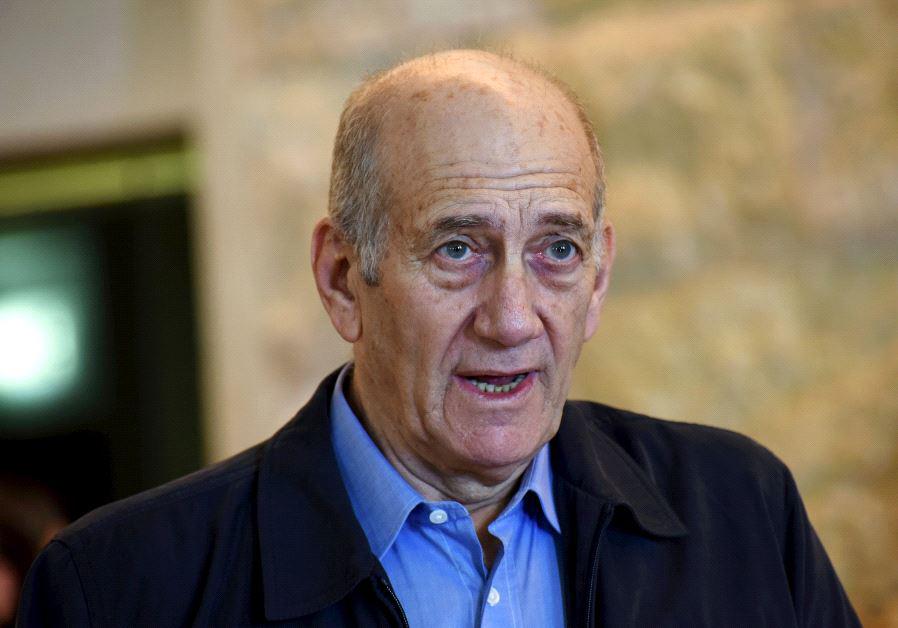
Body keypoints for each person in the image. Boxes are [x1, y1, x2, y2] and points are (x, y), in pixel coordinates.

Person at [18, 50, 859, 627]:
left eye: (557, 250)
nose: (513, 318)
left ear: (599, 278)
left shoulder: (744, 511)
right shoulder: (119, 591)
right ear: (342, 279)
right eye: (458, 249)